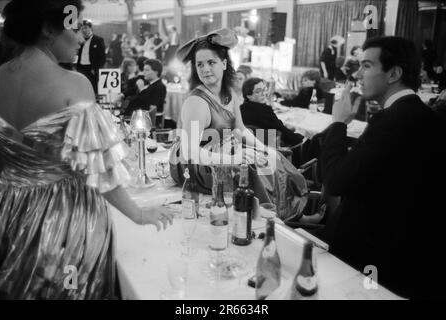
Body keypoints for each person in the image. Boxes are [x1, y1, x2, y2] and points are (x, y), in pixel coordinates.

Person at [0, 0, 173, 299]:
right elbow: (100, 168)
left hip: (7, 213)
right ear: (48, 30)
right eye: (76, 27)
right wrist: (138, 213)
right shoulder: (74, 84)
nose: (82, 37)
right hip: (63, 219)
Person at [320, 36, 445, 299]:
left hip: (374, 256)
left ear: (394, 73)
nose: (357, 74)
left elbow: (335, 181)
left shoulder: (393, 120)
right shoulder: (423, 115)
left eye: (366, 66)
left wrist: (338, 123)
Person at [168, 28, 308, 222]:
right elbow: (189, 152)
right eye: (200, 64)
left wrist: (264, 147)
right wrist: (232, 159)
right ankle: (273, 220)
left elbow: (239, 129)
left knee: (272, 158)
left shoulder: (230, 95)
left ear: (224, 64)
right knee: (248, 168)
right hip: (192, 164)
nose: (205, 69)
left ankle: (292, 215)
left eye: (211, 62)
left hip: (218, 150)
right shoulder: (196, 102)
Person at [240, 77, 304, 165]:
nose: (264, 94)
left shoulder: (240, 109)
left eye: (264, 90)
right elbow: (283, 132)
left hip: (253, 153)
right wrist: (299, 138)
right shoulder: (265, 110)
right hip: (272, 151)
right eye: (258, 91)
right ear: (248, 95)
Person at [76, 19, 106, 94]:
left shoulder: (98, 40)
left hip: (92, 69)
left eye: (86, 28)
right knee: (81, 88)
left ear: (91, 28)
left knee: (93, 88)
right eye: (82, 28)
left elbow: (102, 57)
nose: (84, 30)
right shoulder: (80, 40)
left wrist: (95, 68)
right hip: (81, 68)